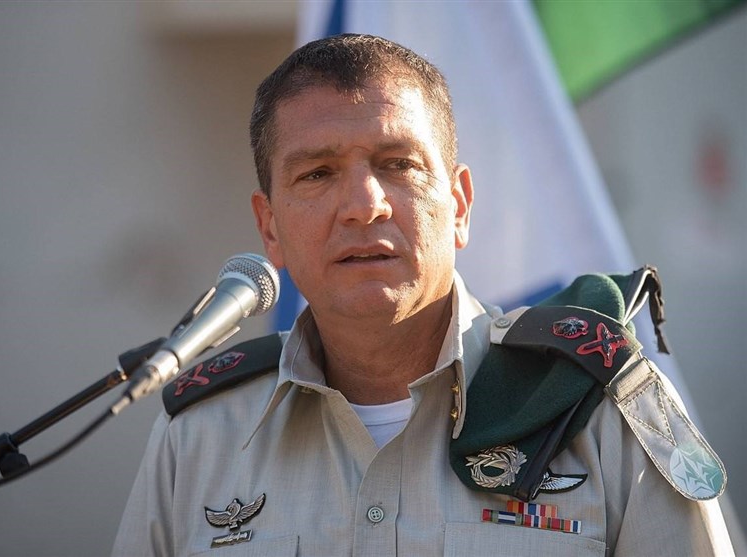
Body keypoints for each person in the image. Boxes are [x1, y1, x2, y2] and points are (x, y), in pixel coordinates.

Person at [112, 34, 733, 556]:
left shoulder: (601, 412)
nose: (364, 206)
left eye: (398, 164)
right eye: (317, 173)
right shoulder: (199, 438)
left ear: (459, 205)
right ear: (269, 226)